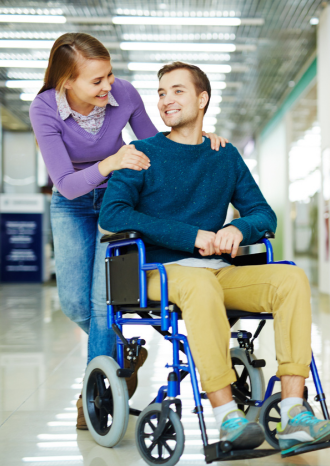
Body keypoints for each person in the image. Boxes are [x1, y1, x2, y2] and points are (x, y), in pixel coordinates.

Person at [99, 61, 330, 454]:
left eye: (177, 91)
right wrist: (191, 236)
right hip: (158, 272)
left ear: (202, 99)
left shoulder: (224, 156)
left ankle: (295, 412)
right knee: (199, 285)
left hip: (216, 272)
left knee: (290, 279)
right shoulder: (142, 152)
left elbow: (263, 214)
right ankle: (227, 418)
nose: (166, 100)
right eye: (162, 92)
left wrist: (239, 229)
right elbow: (112, 213)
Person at [29, 34, 227, 431]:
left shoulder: (124, 93)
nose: (108, 87)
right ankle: (123, 351)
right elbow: (65, 184)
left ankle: (96, 393)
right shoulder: (44, 108)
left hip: (117, 203)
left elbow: (157, 144)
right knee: (74, 303)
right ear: (67, 81)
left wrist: (201, 142)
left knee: (104, 302)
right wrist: (111, 161)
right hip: (72, 203)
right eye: (96, 81)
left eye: (110, 75)